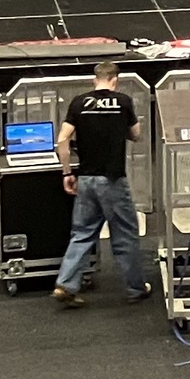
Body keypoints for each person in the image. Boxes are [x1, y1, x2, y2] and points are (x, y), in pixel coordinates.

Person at [52, 60, 147, 308]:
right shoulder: (123, 102)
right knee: (125, 234)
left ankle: (65, 283)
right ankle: (136, 288)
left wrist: (67, 172)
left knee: (82, 233)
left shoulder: (78, 103)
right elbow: (136, 135)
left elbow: (62, 140)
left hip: (86, 179)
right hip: (113, 179)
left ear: (94, 80)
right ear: (115, 80)